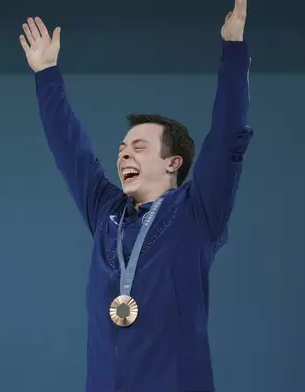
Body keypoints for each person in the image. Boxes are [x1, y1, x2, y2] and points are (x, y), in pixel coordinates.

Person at [19, 1, 253, 390]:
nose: (124, 153)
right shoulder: (106, 213)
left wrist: (233, 49)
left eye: (139, 147)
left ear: (174, 162)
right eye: (123, 148)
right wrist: (46, 74)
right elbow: (70, 150)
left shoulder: (198, 212)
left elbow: (229, 136)